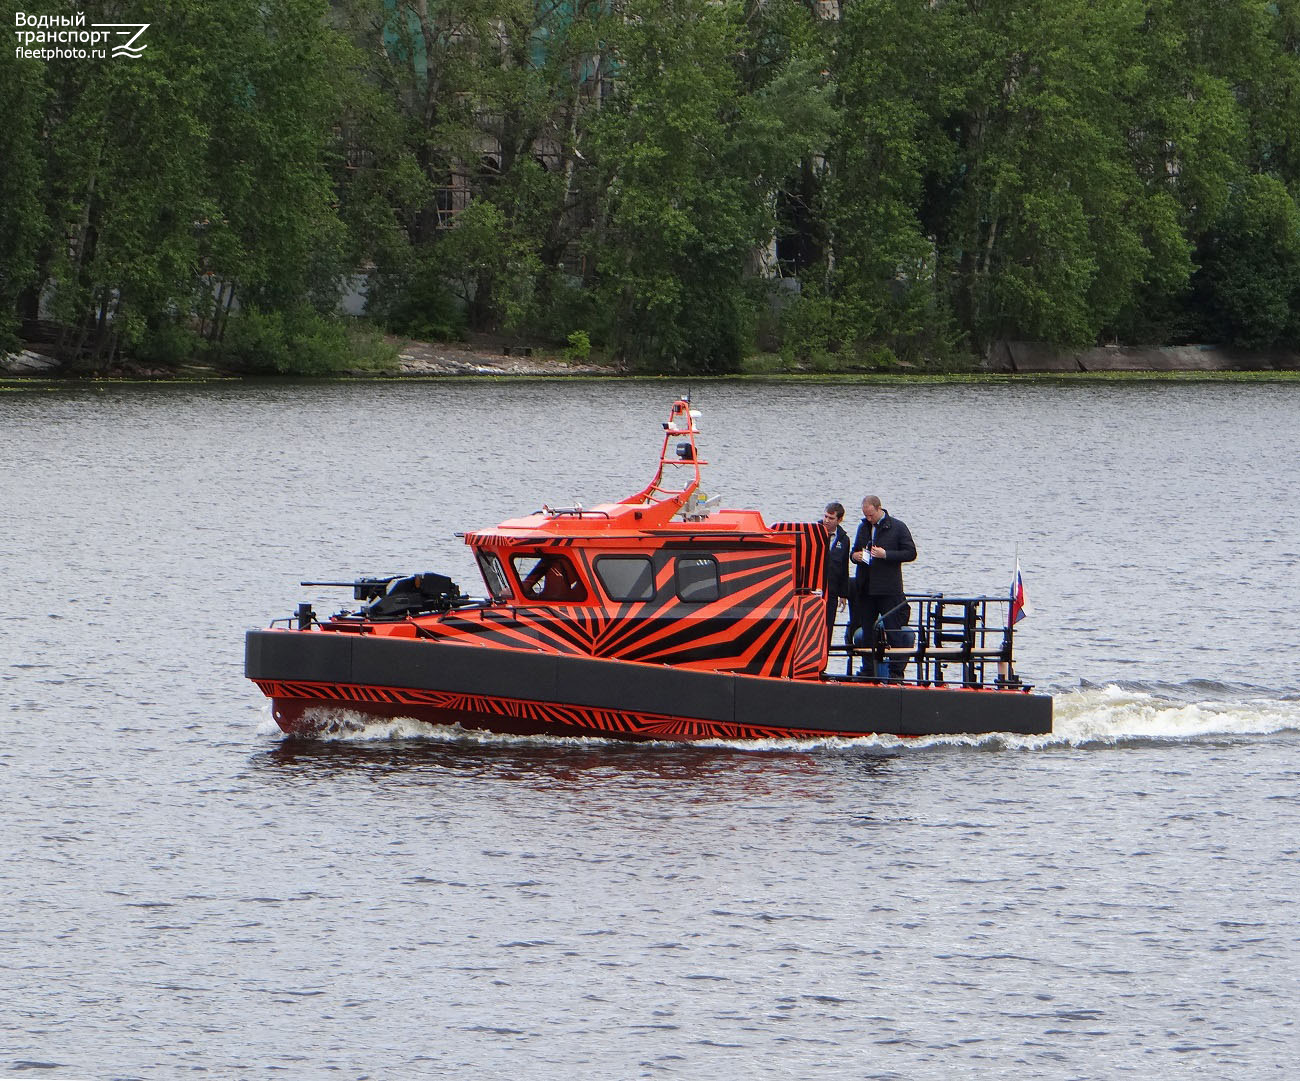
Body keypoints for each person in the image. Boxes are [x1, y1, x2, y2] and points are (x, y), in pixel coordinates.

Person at [848, 495, 917, 676]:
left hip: (888, 589)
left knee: (893, 631)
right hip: (867, 588)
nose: (868, 518)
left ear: (879, 509)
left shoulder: (897, 527)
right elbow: (856, 549)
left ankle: (896, 672)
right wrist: (854, 556)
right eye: (866, 515)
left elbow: (910, 553)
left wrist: (886, 554)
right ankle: (868, 670)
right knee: (867, 632)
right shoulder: (863, 527)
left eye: (871, 515)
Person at [821, 502, 851, 649]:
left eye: (831, 518)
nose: (826, 520)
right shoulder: (814, 532)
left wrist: (843, 594)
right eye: (825, 516)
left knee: (828, 627)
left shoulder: (844, 539)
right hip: (814, 589)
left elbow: (844, 568)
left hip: (832, 591)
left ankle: (823, 664)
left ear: (839, 520)